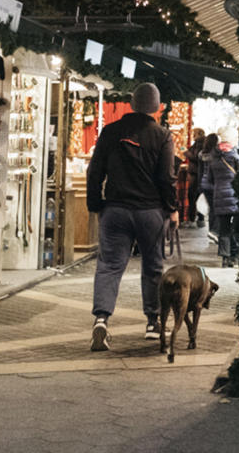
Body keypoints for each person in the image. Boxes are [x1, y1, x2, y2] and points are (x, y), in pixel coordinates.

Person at [85, 83, 178, 351]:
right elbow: (166, 178)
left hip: (115, 209)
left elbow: (95, 171)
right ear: (157, 107)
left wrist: (96, 205)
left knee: (109, 266)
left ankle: (101, 319)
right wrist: (172, 209)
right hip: (150, 212)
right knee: (153, 267)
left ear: (132, 103)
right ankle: (153, 322)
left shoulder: (111, 131)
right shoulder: (162, 136)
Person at [199, 132, 239, 267]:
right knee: (237, 228)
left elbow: (210, 179)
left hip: (219, 196)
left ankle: (225, 258)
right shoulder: (236, 157)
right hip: (234, 196)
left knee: (224, 228)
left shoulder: (213, 158)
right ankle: (236, 256)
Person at [184, 128, 206, 228]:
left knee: (193, 196)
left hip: (196, 173)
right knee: (195, 196)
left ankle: (194, 218)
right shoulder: (198, 144)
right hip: (196, 173)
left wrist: (186, 153)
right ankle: (198, 218)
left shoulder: (200, 144)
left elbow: (196, 157)